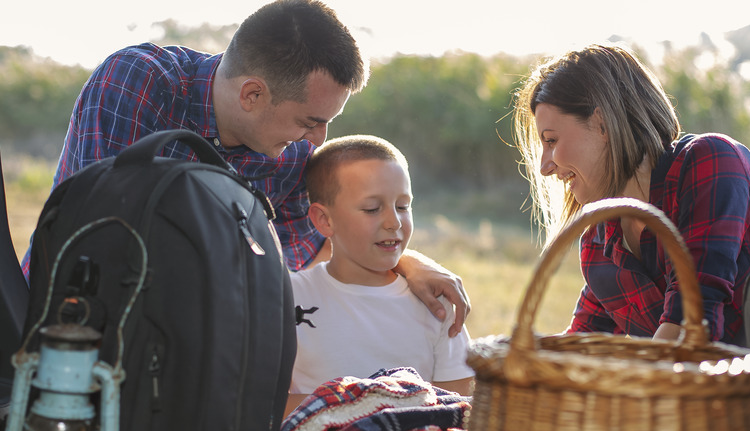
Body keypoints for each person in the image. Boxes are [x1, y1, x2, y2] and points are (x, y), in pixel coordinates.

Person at [21, 0, 469, 335]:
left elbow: (315, 252)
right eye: (309, 121)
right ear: (253, 94)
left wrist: (409, 265)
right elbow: (100, 235)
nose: (318, 141)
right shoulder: (140, 82)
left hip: (186, 351)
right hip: (61, 322)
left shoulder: (291, 154)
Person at [513, 43, 750, 344]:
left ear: (602, 124)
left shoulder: (710, 161)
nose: (544, 167)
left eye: (551, 140)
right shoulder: (598, 246)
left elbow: (693, 326)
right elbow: (578, 348)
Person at [285, 134, 474, 416]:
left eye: (403, 206)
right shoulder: (288, 296)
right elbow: (264, 404)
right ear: (324, 220)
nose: (393, 222)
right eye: (372, 209)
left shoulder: (435, 304)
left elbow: (459, 407)